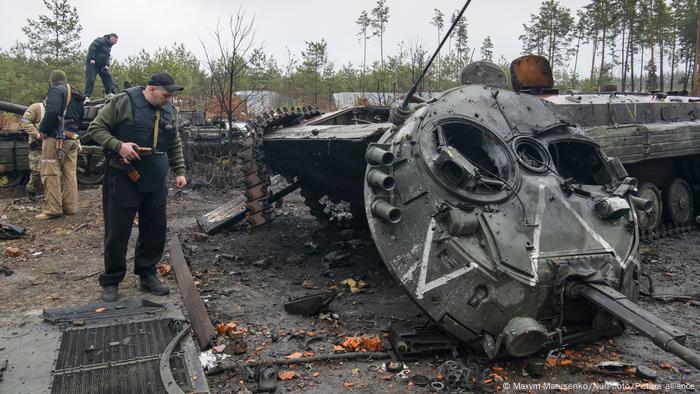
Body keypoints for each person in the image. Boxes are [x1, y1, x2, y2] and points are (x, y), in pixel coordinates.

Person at [87, 72, 187, 302]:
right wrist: (118, 145)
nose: (169, 99)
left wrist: (180, 171)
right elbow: (96, 128)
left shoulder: (170, 111)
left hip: (155, 180)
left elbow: (174, 142)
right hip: (123, 178)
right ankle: (112, 279)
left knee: (155, 228)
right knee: (117, 231)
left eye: (171, 95)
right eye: (166, 94)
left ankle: (147, 274)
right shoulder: (124, 102)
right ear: (151, 89)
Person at [36, 70, 84, 220]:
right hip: (73, 138)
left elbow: (52, 112)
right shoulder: (76, 94)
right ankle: (70, 207)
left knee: (50, 171)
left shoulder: (56, 90)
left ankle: (53, 209)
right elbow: (80, 118)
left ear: (53, 81)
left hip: (56, 138)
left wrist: (42, 130)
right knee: (70, 174)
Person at [19, 99, 46, 201]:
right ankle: (31, 192)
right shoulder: (36, 108)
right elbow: (25, 121)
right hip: (37, 145)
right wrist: (36, 134)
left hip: (52, 145)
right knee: (37, 171)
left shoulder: (58, 108)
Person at [85, 33, 118, 98]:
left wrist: (107, 65)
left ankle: (108, 93)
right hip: (92, 64)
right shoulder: (101, 40)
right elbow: (92, 47)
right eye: (115, 40)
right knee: (91, 79)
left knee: (108, 77)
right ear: (111, 37)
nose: (115, 43)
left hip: (101, 66)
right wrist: (92, 58)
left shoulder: (109, 46)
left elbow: (107, 57)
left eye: (116, 41)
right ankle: (86, 96)